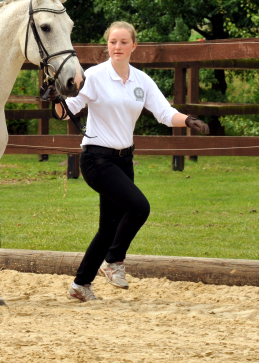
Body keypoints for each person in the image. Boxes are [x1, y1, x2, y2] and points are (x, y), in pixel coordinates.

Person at [49, 21, 210, 302]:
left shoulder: (141, 80)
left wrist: (188, 120)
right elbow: (67, 111)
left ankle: (80, 285)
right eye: (113, 42)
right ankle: (113, 262)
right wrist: (56, 98)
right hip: (96, 159)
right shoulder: (94, 77)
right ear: (107, 45)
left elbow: (163, 111)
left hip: (124, 160)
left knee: (108, 228)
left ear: (134, 46)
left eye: (124, 42)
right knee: (139, 207)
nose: (118, 47)